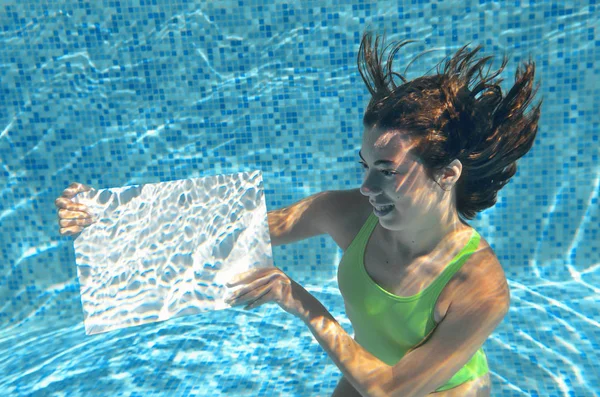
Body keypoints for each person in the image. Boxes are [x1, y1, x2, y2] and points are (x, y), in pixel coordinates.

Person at [56, 31, 542, 396]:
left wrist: (299, 300)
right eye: (365, 165)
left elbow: (389, 389)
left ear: (448, 174)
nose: (367, 186)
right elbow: (233, 226)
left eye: (388, 171)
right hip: (363, 369)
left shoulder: (479, 287)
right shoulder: (348, 214)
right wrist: (109, 216)